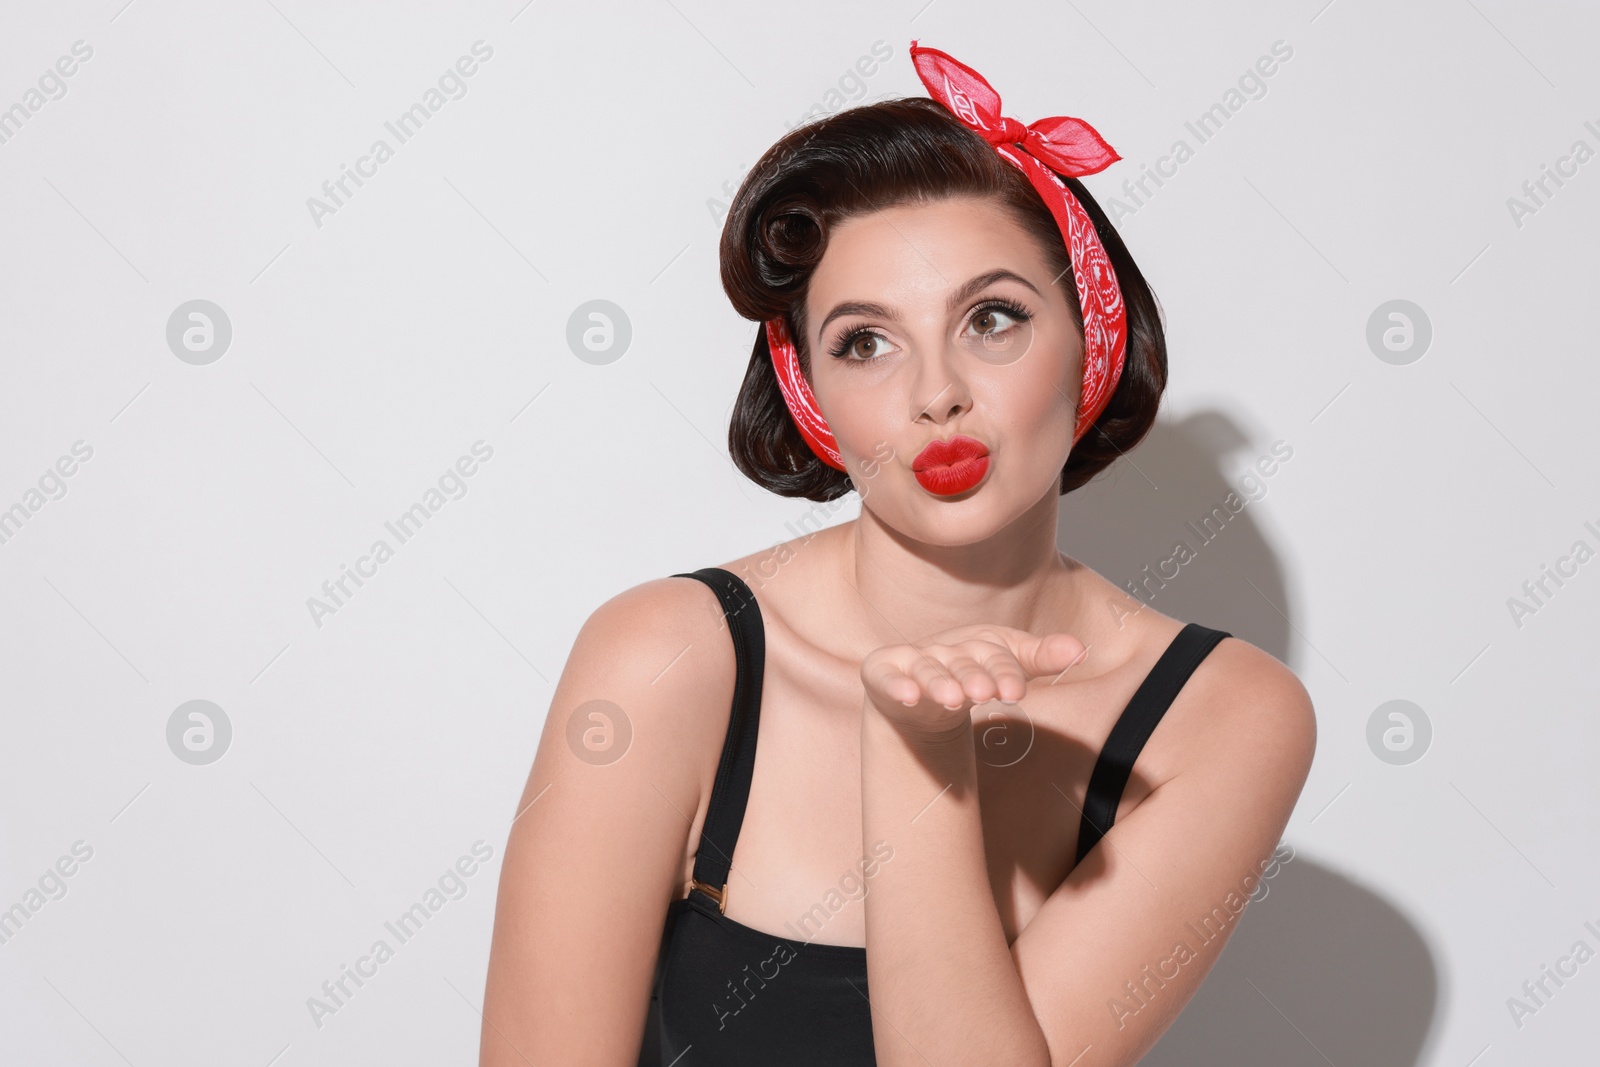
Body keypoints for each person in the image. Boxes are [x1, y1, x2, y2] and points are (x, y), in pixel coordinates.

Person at [479, 40, 1316, 1067]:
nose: (934, 391)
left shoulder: (1220, 716)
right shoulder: (665, 658)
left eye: (993, 318)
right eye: (864, 341)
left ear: (1090, 341)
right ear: (809, 394)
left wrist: (920, 763)